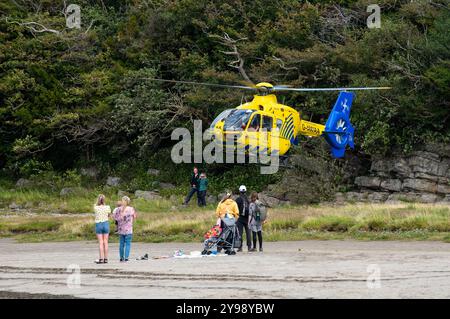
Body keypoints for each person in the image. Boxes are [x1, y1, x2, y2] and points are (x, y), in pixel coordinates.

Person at [113, 196, 137, 262]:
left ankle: (121, 257)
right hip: (128, 229)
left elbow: (115, 217)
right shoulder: (131, 209)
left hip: (121, 229)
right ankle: (126, 257)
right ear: (128, 202)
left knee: (121, 244)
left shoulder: (118, 209)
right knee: (128, 244)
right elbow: (135, 216)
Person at [94, 194, 111, 264]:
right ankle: (106, 258)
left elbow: (95, 213)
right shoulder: (107, 207)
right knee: (105, 242)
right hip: (105, 223)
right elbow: (109, 215)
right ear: (104, 200)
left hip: (98, 224)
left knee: (101, 242)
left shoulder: (95, 207)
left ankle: (101, 258)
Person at [235, 185, 252, 252]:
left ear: (239, 191)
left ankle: (240, 247)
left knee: (240, 233)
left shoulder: (238, 199)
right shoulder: (248, 199)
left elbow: (236, 209)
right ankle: (249, 247)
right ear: (245, 191)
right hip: (247, 218)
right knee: (248, 232)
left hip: (240, 218)